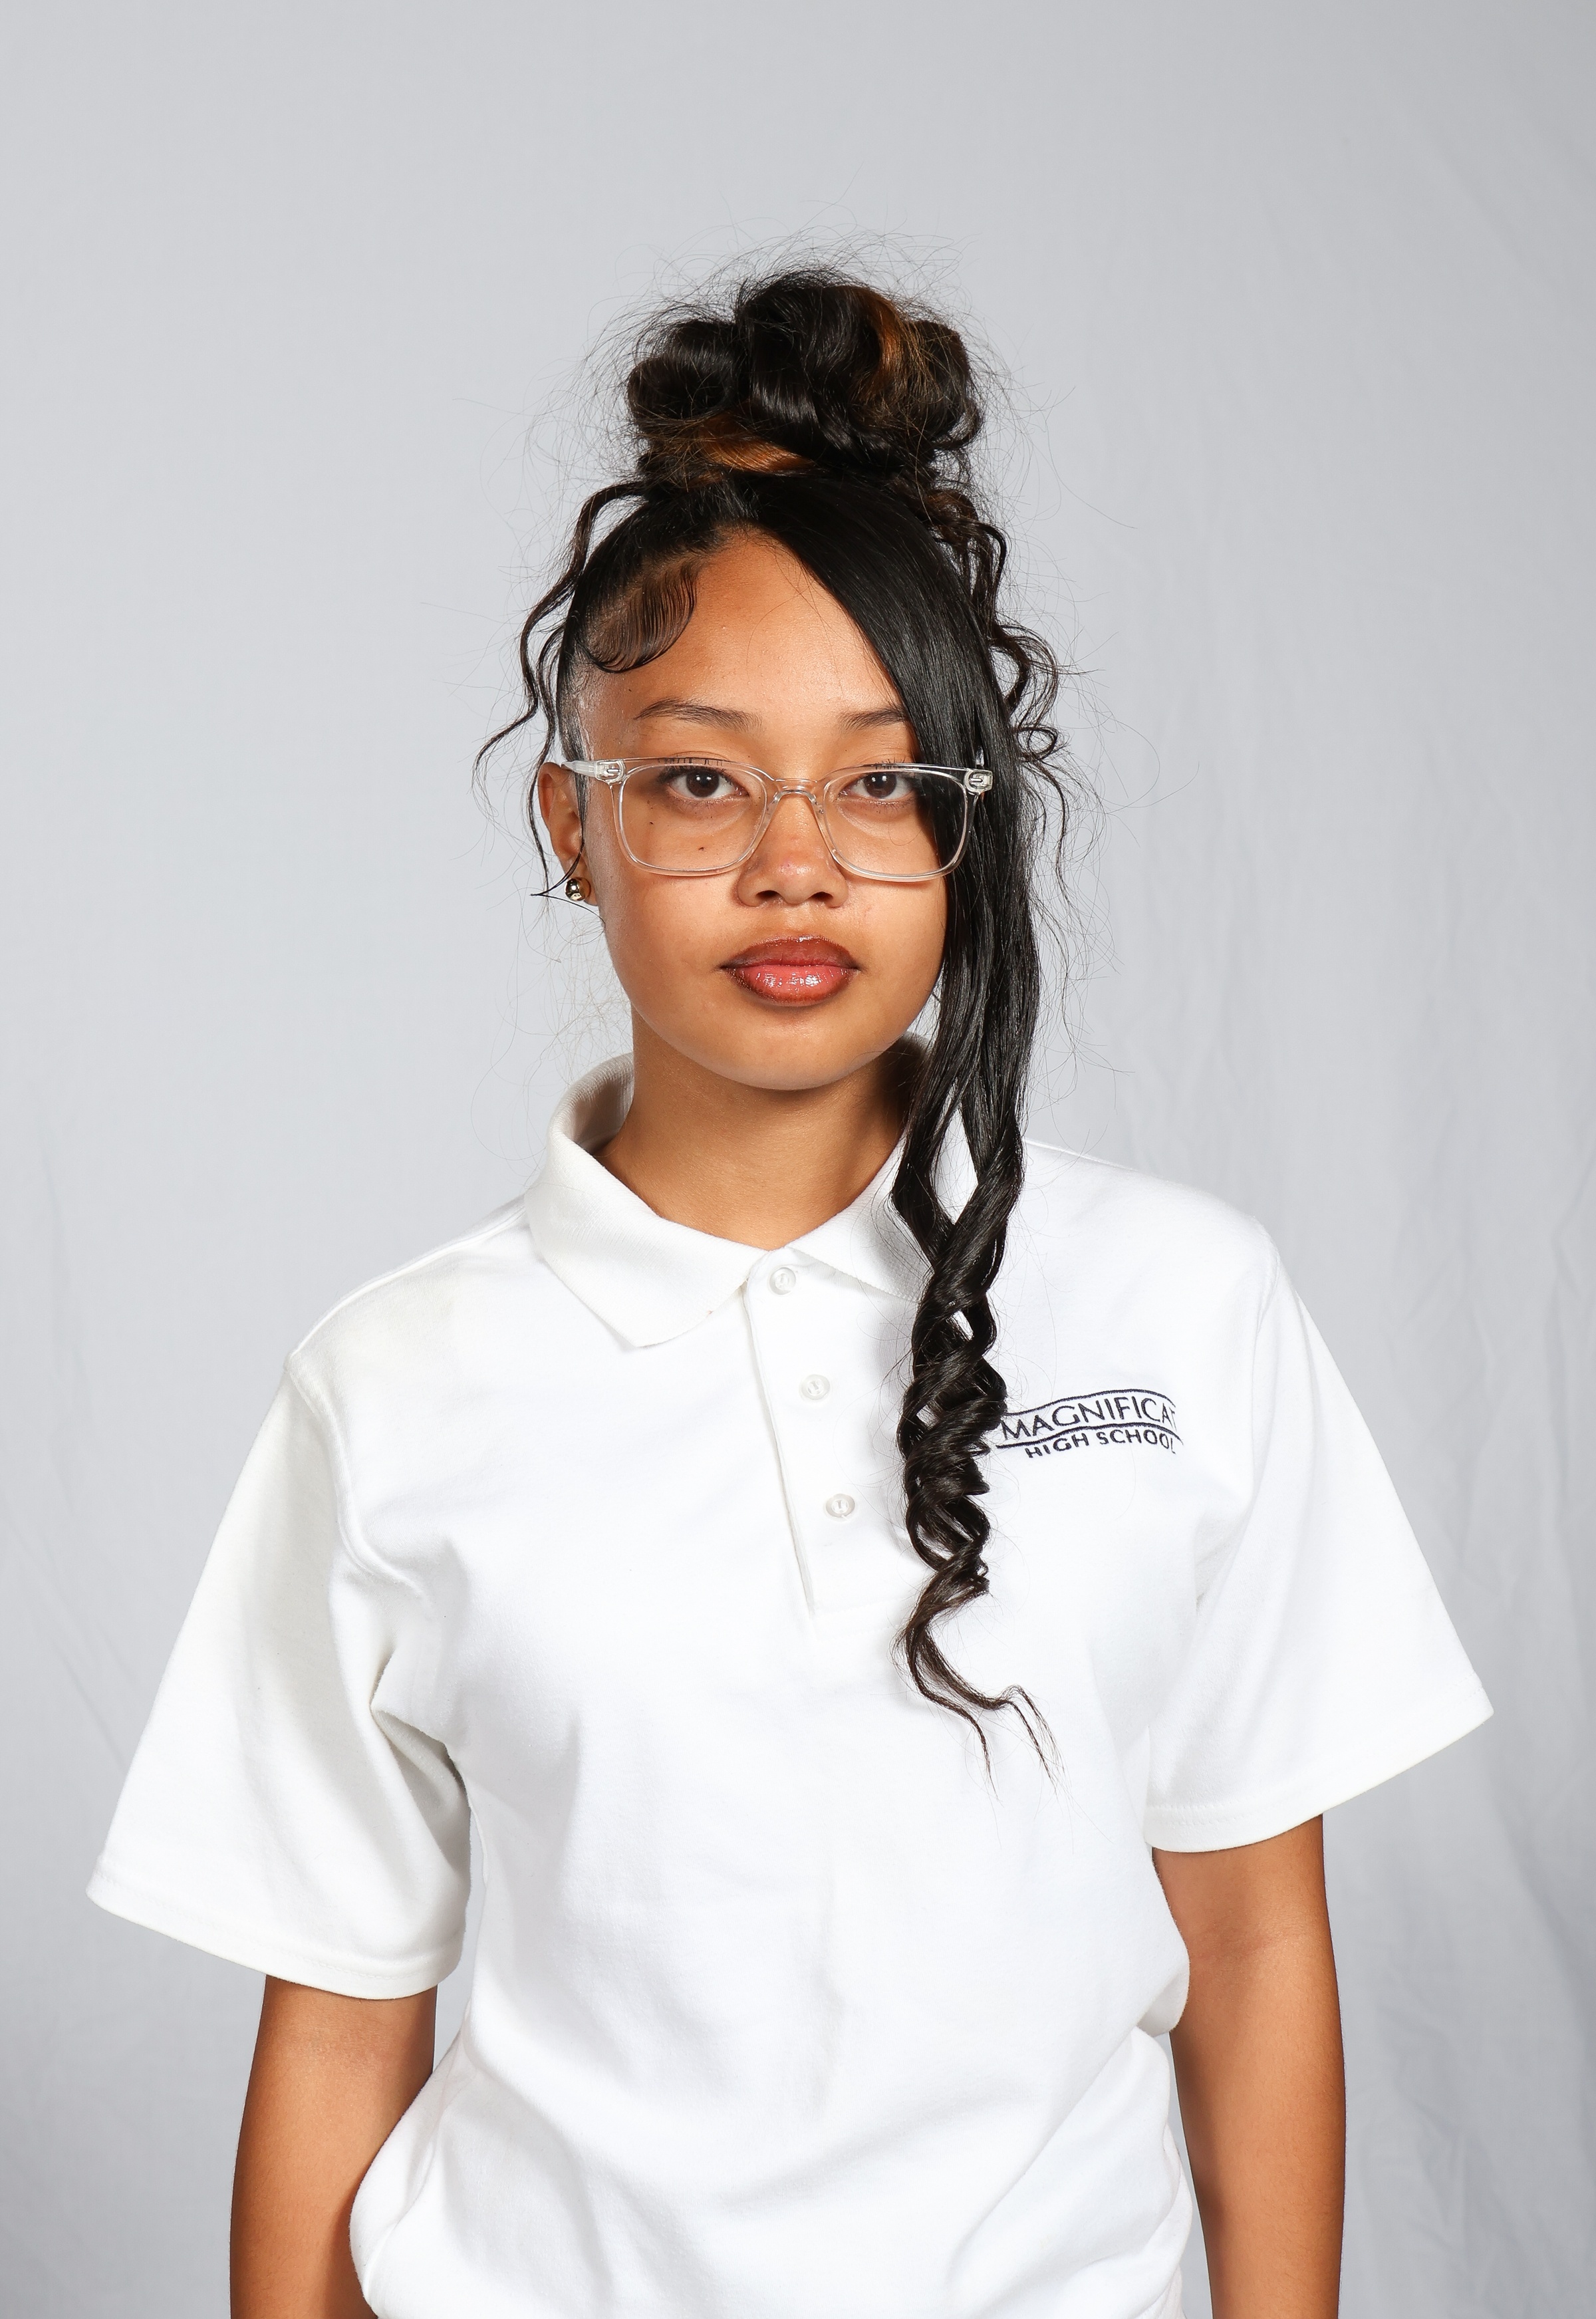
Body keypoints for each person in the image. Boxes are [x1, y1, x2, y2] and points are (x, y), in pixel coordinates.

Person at [89, 269, 1490, 2319]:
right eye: (699, 781)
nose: (796, 863)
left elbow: (1257, 1941)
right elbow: (337, 2018)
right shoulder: (392, 1383)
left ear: (966, 824)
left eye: (879, 780)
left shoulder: (1186, 1307)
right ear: (573, 825)